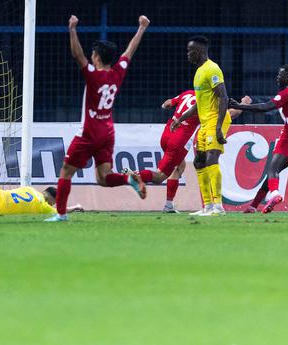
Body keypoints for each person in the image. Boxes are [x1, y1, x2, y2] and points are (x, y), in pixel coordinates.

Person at [45, 14, 150, 222]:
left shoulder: (94, 75)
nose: (91, 56)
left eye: (93, 54)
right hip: (107, 132)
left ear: (97, 57)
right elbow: (130, 52)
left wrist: (72, 29)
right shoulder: (118, 72)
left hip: (89, 133)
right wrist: (142, 28)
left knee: (66, 172)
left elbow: (77, 55)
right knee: (103, 178)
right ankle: (128, 178)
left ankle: (61, 214)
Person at [129, 91, 249, 213]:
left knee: (180, 166)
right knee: (160, 176)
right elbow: (232, 114)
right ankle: (134, 176)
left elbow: (168, 103)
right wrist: (244, 103)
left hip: (167, 134)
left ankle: (169, 205)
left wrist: (164, 106)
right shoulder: (207, 101)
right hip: (179, 141)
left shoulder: (188, 93)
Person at [229, 65, 288, 214]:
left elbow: (265, 107)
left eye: (281, 74)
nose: (277, 77)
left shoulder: (287, 92)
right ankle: (253, 206)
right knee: (274, 173)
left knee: (272, 169)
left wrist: (241, 106)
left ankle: (275, 195)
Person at [171, 36, 230, 216]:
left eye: (190, 51)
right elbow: (199, 103)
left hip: (216, 120)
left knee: (212, 159)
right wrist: (180, 118)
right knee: (198, 162)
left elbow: (224, 97)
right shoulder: (198, 72)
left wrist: (218, 127)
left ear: (200, 51)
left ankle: (218, 206)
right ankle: (207, 206)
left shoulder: (212, 69)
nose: (188, 54)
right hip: (205, 122)